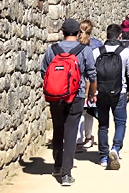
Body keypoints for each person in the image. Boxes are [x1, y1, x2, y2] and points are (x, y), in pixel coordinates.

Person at [40, 18, 96, 187]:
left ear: (62, 32)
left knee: (58, 129)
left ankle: (57, 166)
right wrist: (91, 93)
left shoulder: (52, 49)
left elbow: (44, 72)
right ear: (78, 32)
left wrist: (56, 87)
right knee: (71, 132)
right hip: (76, 96)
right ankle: (66, 174)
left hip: (55, 97)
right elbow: (92, 74)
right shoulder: (85, 50)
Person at [94, 23, 129, 170]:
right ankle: (115, 148)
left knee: (103, 125)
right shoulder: (125, 52)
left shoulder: (96, 52)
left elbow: (91, 75)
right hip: (119, 93)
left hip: (101, 93)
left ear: (107, 35)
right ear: (120, 36)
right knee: (120, 123)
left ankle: (103, 156)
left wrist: (92, 93)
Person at [76, 20, 103, 151]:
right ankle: (88, 138)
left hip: (76, 84)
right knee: (89, 112)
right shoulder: (97, 45)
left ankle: (78, 140)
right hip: (91, 83)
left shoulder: (73, 45)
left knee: (78, 113)